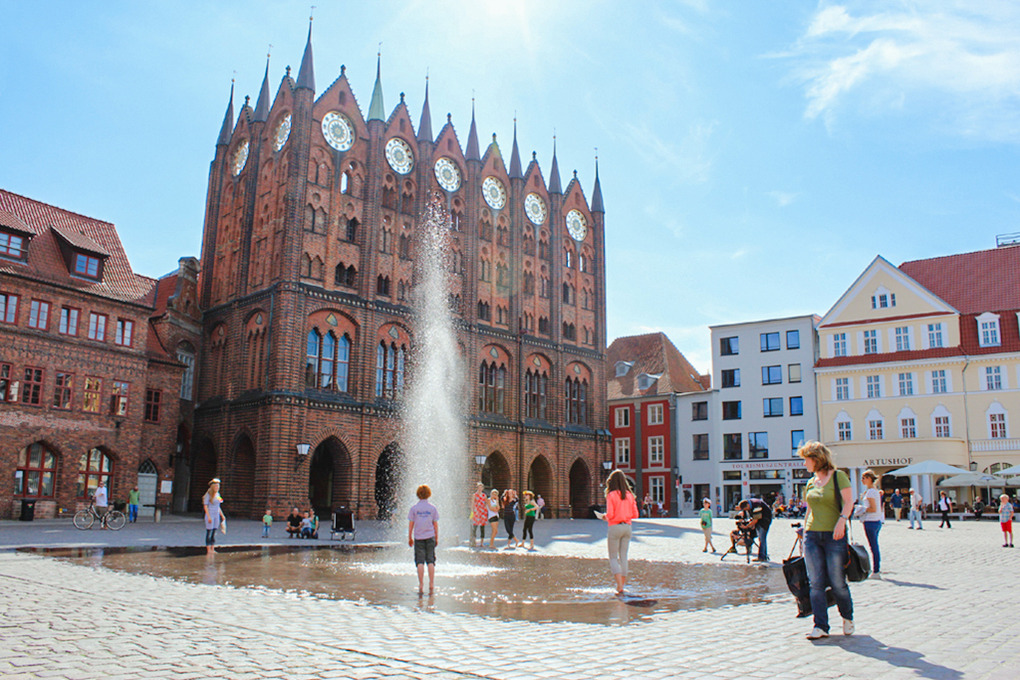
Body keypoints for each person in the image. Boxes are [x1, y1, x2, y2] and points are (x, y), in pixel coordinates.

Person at [798, 441, 854, 640]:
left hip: (834, 535)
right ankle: (820, 625)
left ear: (817, 459)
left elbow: (849, 502)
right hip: (812, 535)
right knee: (816, 583)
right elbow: (809, 509)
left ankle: (847, 617)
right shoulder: (811, 482)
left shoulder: (838, 476)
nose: (804, 463)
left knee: (837, 581)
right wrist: (804, 531)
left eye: (806, 459)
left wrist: (842, 521)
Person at [596, 469, 639, 595]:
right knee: (624, 556)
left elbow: (610, 514)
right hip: (627, 527)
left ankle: (619, 585)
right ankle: (622, 585)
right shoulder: (630, 495)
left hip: (615, 527)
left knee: (613, 557)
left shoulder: (611, 495)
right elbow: (635, 514)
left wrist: (604, 517)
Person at [407, 484, 439, 595]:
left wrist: (409, 537)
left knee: (420, 562)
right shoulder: (432, 508)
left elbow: (411, 524)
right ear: (429, 494)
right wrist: (436, 537)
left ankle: (421, 584)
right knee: (431, 561)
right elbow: (435, 525)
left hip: (418, 537)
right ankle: (431, 583)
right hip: (430, 536)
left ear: (418, 494)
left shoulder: (414, 508)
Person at [860, 470, 883, 574]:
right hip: (876, 521)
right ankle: (876, 567)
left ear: (869, 479)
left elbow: (873, 508)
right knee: (875, 546)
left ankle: (876, 569)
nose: (862, 480)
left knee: (873, 547)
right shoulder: (874, 490)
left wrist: (861, 509)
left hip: (870, 521)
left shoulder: (870, 492)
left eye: (864, 478)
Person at [203, 478, 225, 554]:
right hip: (210, 514)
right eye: (216, 486)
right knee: (209, 532)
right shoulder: (208, 495)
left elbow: (219, 506)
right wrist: (208, 516)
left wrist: (222, 515)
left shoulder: (218, 495)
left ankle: (212, 548)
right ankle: (208, 549)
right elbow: (205, 506)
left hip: (216, 515)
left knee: (214, 532)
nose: (217, 488)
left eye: (218, 486)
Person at [470, 482, 488, 547]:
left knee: (482, 528)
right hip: (476, 512)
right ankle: (474, 541)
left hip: (482, 512)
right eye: (479, 487)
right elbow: (472, 503)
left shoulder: (484, 495)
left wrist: (485, 508)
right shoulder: (475, 495)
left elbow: (486, 502)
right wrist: (472, 512)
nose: (480, 488)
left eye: (481, 487)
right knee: (475, 527)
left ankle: (481, 542)